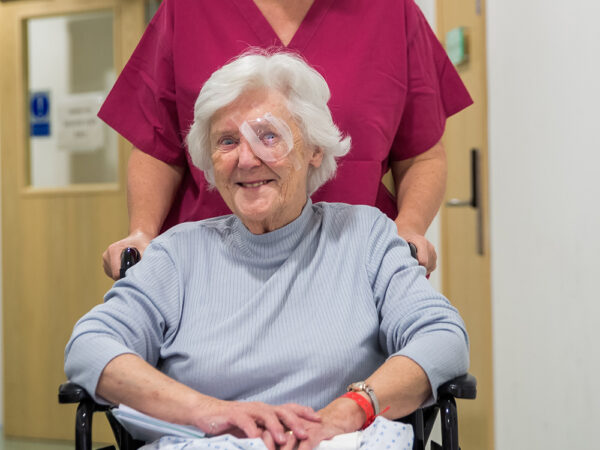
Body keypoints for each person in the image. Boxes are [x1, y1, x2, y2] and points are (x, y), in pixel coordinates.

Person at [63, 51, 469, 449]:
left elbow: (442, 337)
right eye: (226, 141)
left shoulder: (366, 238)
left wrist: (349, 410)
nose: (246, 159)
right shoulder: (178, 255)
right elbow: (91, 345)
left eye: (268, 136)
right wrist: (209, 412)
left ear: (314, 149)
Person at [97, 0, 472, 279]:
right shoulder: (189, 9)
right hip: (212, 269)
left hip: (352, 269)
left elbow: (421, 153)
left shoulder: (390, 12)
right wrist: (142, 233)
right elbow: (156, 144)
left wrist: (407, 230)